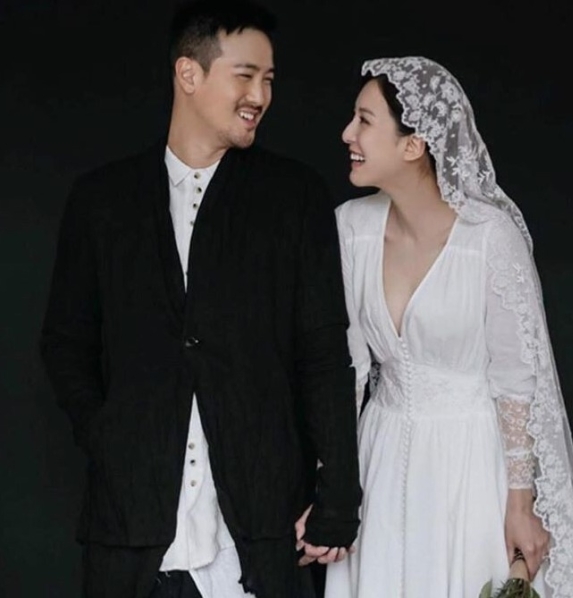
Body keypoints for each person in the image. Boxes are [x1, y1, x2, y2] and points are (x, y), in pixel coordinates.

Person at [39, 1, 360, 596]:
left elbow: (322, 353)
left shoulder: (294, 197)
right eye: (245, 75)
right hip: (130, 523)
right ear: (189, 74)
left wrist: (338, 493)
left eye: (269, 79)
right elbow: (65, 342)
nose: (260, 96)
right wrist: (108, 435)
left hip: (261, 525)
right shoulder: (101, 201)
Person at [322, 57, 573, 597]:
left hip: (470, 464)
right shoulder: (350, 228)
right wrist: (331, 486)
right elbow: (347, 369)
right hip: (379, 455)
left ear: (414, 144)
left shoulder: (489, 239)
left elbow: (516, 379)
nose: (347, 133)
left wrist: (520, 502)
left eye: (364, 120)